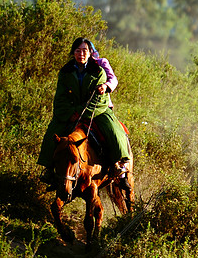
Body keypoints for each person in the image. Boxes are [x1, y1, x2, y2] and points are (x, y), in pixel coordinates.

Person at [38, 37, 130, 186]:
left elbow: (102, 97)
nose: (81, 54)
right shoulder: (65, 72)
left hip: (97, 110)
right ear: (73, 53)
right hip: (71, 111)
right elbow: (60, 98)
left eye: (84, 50)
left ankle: (118, 165)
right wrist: (70, 113)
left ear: (90, 53)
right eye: (78, 50)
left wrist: (81, 112)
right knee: (52, 132)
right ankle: (49, 169)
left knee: (113, 130)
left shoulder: (99, 69)